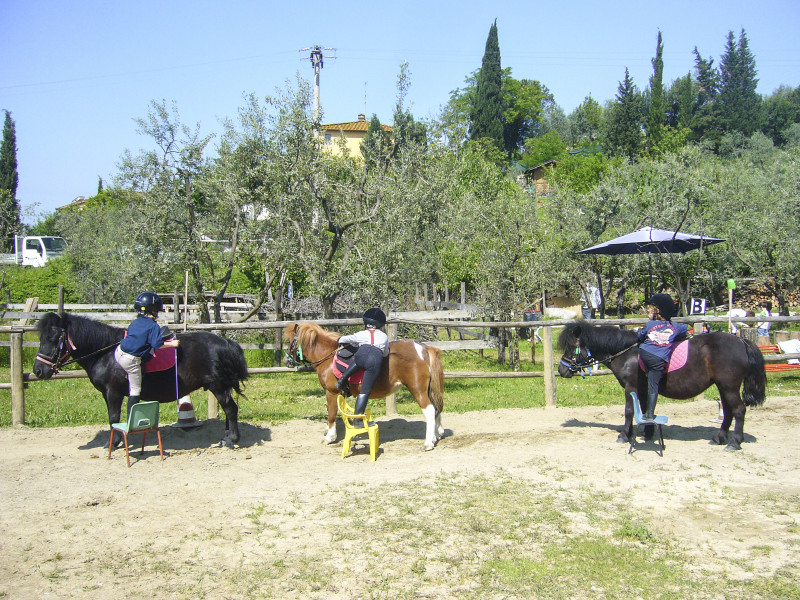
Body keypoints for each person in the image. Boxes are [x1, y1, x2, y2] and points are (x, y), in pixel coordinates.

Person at [114, 292, 180, 418]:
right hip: (131, 360)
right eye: (157, 311)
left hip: (119, 352)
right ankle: (131, 420)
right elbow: (157, 345)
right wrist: (172, 344)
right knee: (135, 390)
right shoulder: (153, 325)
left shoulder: (135, 322)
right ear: (153, 310)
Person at [637, 293, 689, 422]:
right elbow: (685, 331)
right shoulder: (676, 327)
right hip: (658, 359)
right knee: (653, 386)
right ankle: (649, 414)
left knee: (649, 377)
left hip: (644, 353)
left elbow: (640, 337)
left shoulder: (650, 324)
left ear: (658, 311)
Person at [335, 308, 389, 415]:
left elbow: (347, 339)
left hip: (361, 355)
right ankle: (358, 419)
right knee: (365, 392)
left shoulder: (361, 334)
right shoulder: (384, 337)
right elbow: (385, 354)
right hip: (374, 359)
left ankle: (342, 379)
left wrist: (339, 340)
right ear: (380, 324)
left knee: (357, 361)